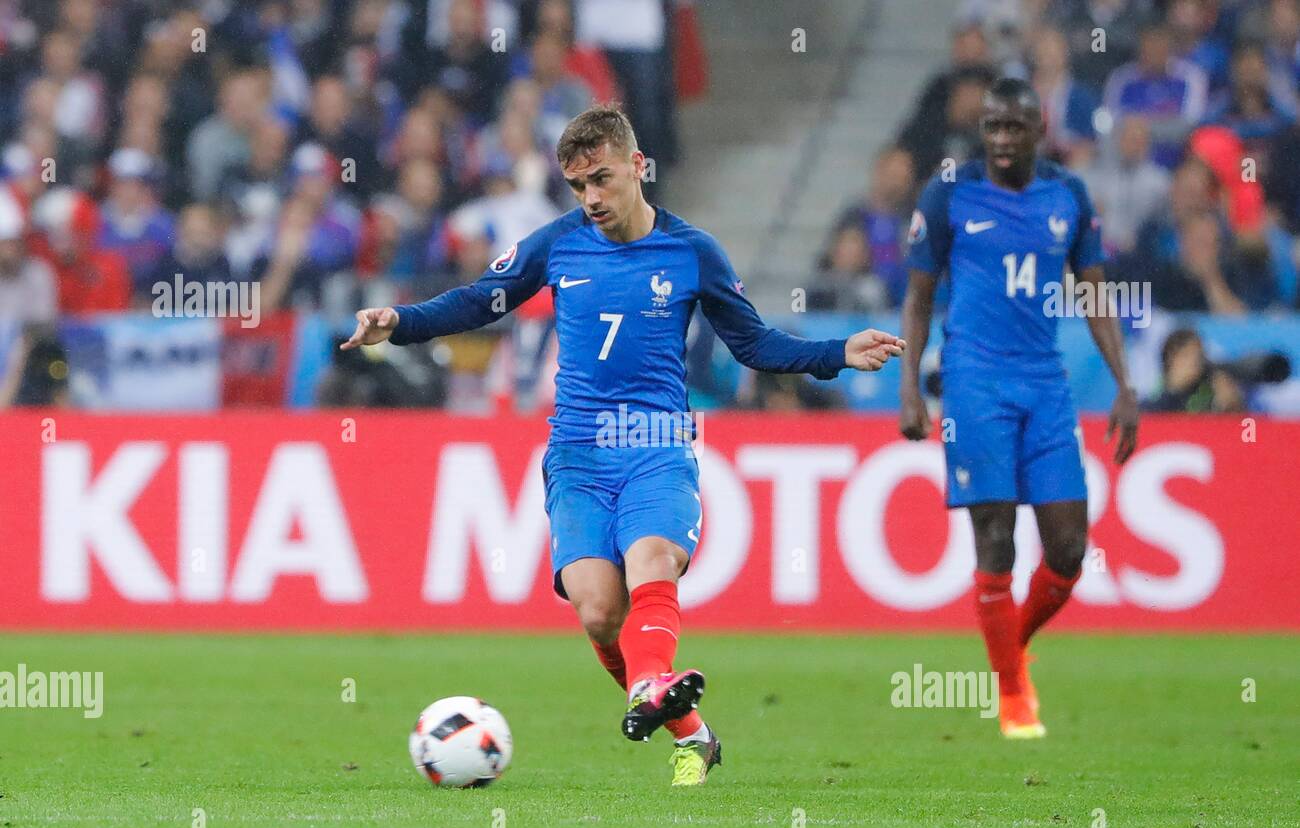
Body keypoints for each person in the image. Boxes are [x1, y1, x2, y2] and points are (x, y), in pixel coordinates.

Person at [343, 106, 905, 786]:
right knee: (600, 611)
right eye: (579, 186)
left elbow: (754, 343)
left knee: (653, 562)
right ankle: (691, 734)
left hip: (656, 444)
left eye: (603, 180)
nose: (592, 199)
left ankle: (646, 692)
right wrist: (398, 322)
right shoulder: (558, 245)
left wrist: (836, 351)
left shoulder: (692, 252)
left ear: (638, 167)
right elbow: (479, 301)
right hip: (577, 452)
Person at [898, 78, 1139, 739]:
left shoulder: (1068, 195)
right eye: (992, 128)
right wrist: (910, 386)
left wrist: (1124, 385)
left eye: (1015, 128)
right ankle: (1013, 695)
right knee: (996, 540)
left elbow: (1094, 293)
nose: (1002, 140)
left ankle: (1009, 645)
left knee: (1068, 548)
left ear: (1039, 130)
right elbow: (918, 298)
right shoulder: (948, 194)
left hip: (1045, 382)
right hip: (973, 381)